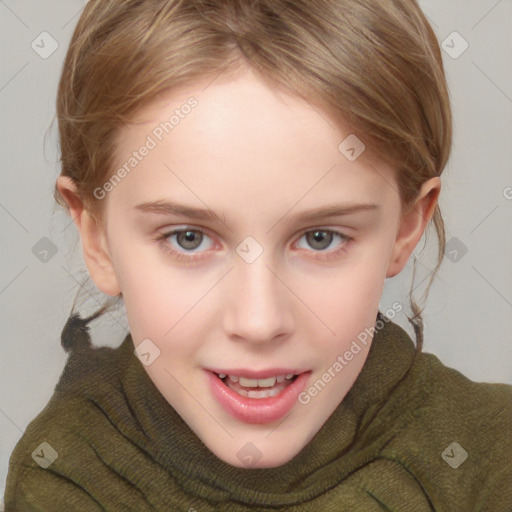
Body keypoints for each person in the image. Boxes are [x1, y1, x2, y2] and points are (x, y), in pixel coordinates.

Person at [4, 0, 511, 510]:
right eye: (188, 238)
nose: (258, 322)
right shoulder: (66, 474)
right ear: (97, 237)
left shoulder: (491, 460)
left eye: (320, 238)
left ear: (406, 225)